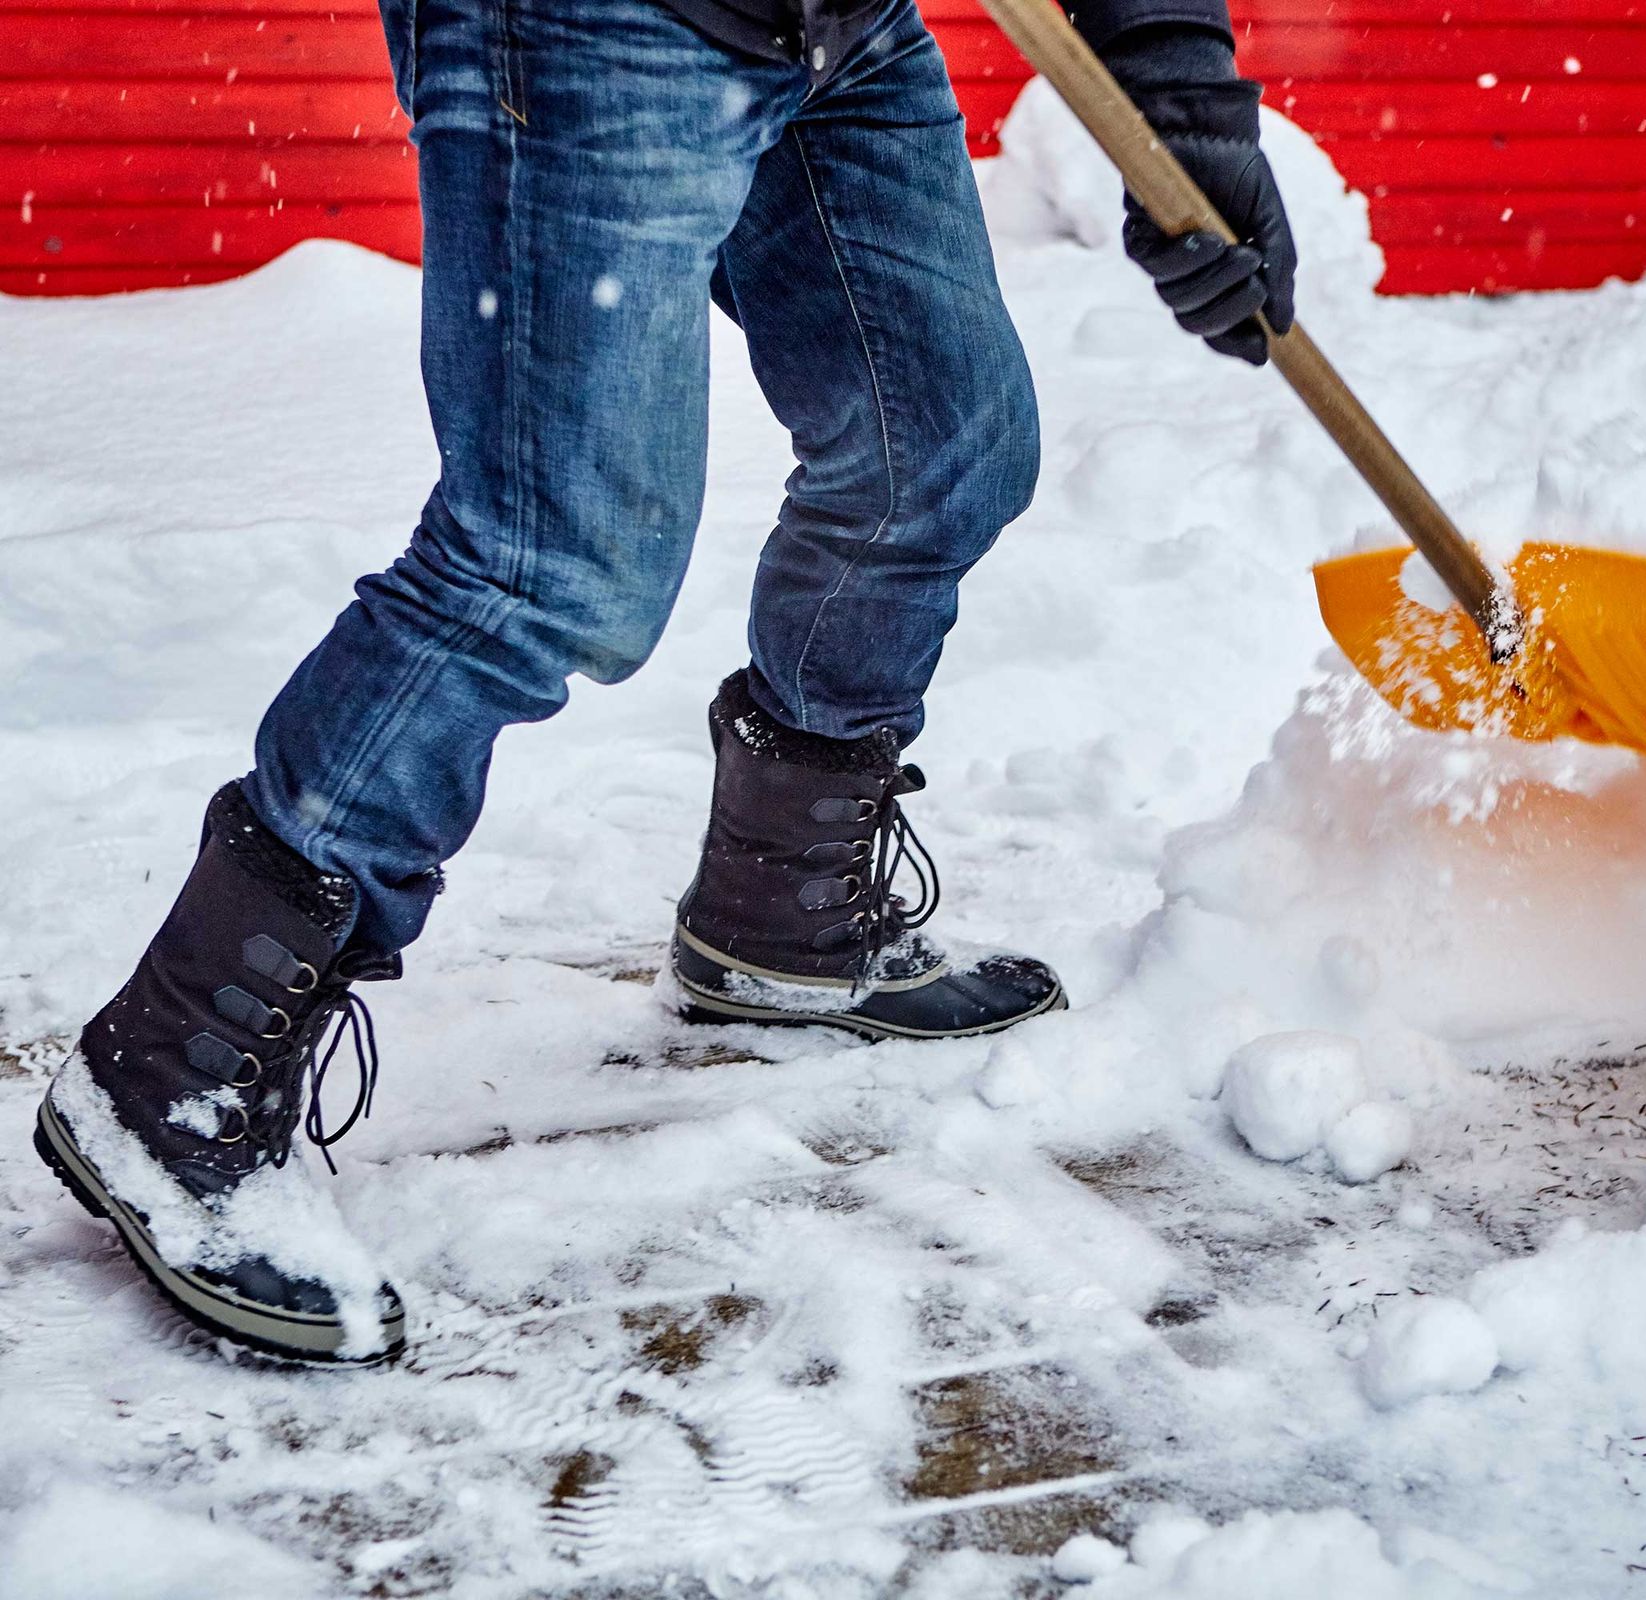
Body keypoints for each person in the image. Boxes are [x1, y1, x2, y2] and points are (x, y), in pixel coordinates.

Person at [32, 0, 1295, 1363]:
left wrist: (1183, 117)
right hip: (594, 26)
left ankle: (785, 912)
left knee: (937, 445)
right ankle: (177, 1069)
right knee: (548, 560)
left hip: (838, 23)